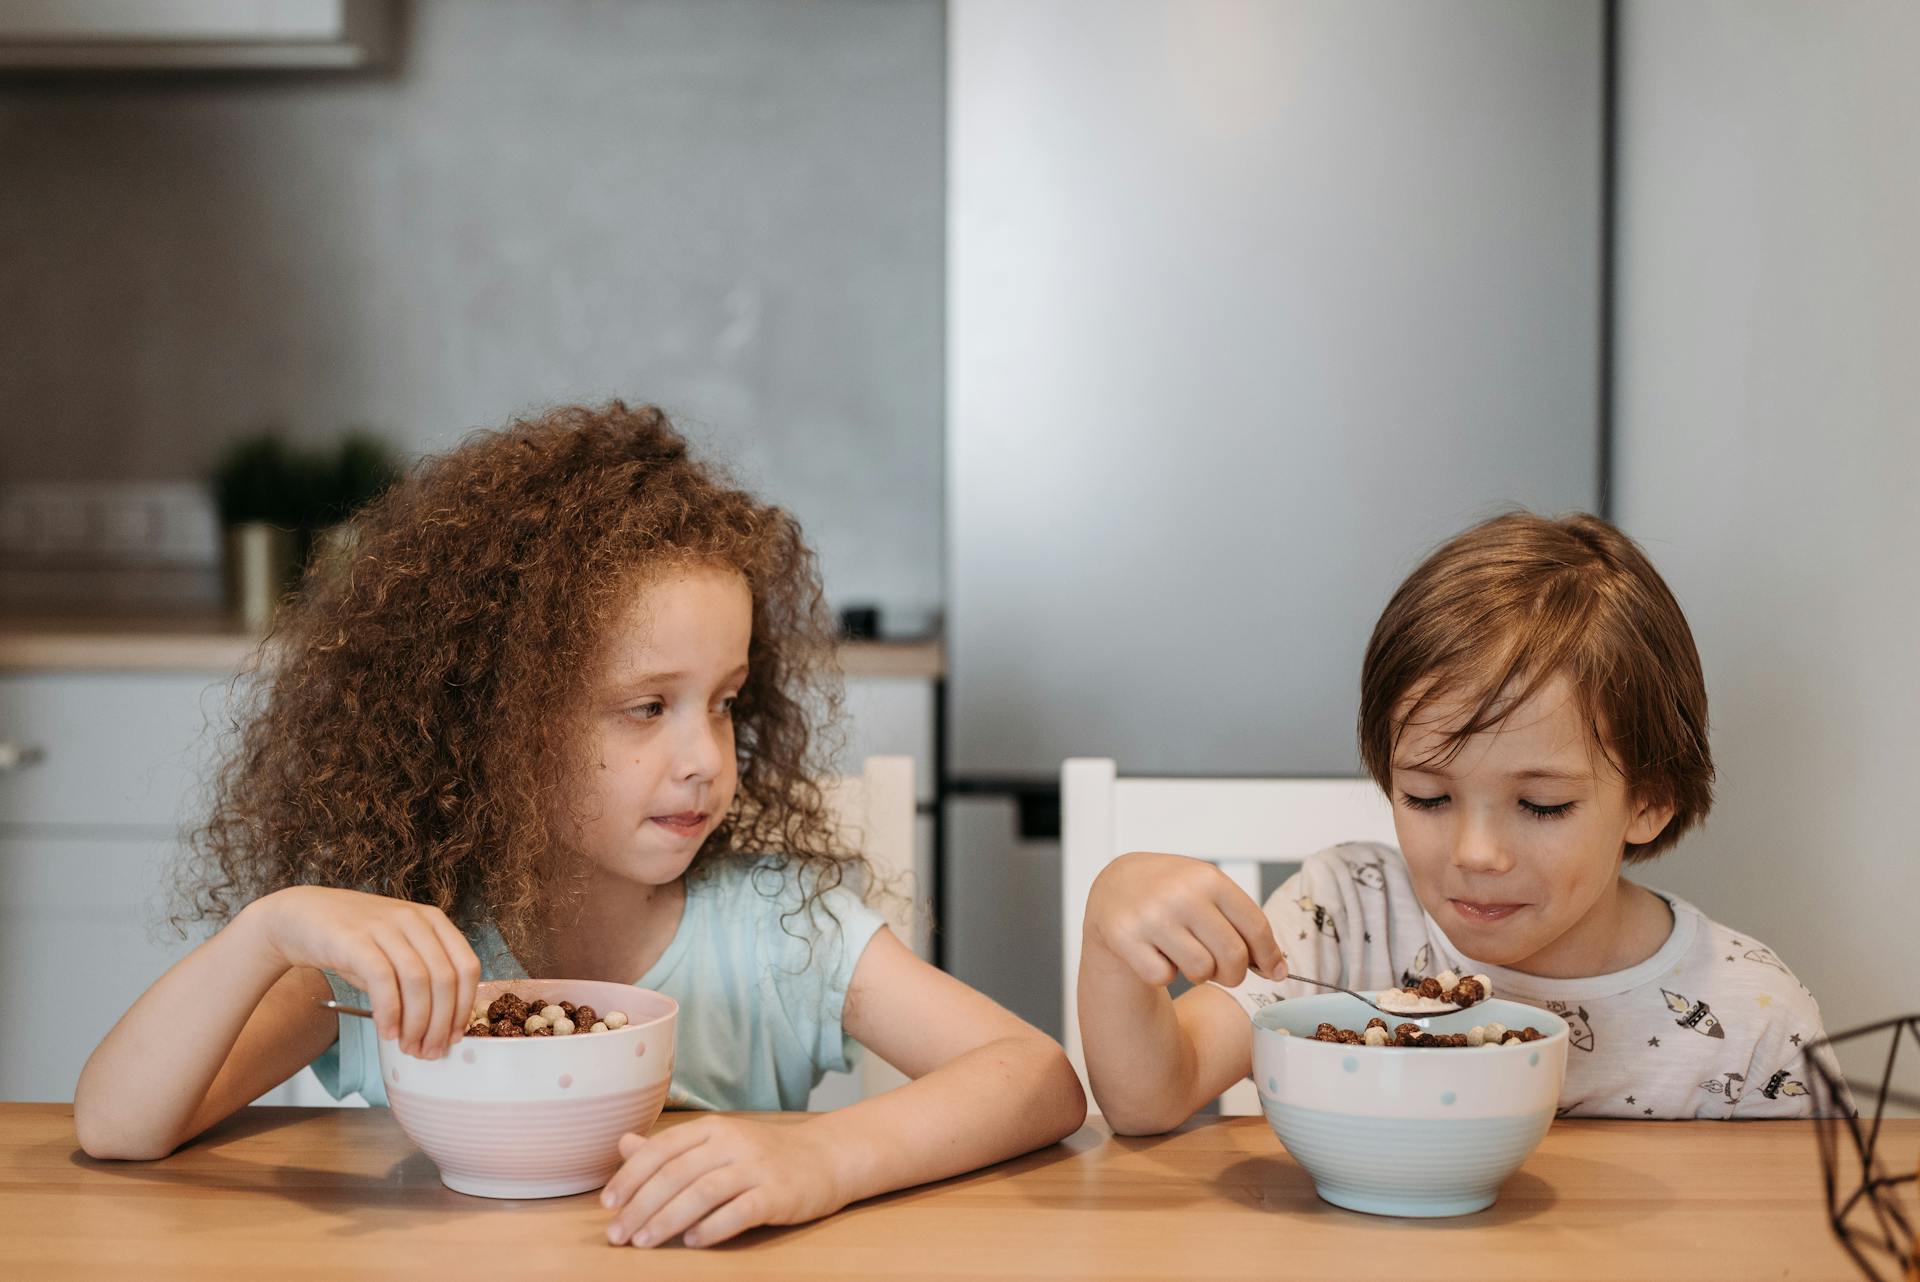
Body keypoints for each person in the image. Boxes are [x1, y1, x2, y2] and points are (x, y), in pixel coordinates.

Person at [76, 402, 1085, 1249]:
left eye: (725, 700)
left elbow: (1035, 1078)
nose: (703, 755)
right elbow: (118, 1126)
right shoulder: (406, 941)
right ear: (502, 719)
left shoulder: (775, 932)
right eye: (647, 707)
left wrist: (824, 1154)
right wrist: (272, 928)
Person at [1078, 511, 1839, 1131]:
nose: (1476, 854)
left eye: (1542, 805)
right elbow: (1151, 1096)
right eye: (1428, 797)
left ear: (1649, 800)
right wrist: (1110, 924)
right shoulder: (1349, 914)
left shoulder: (1752, 1020)